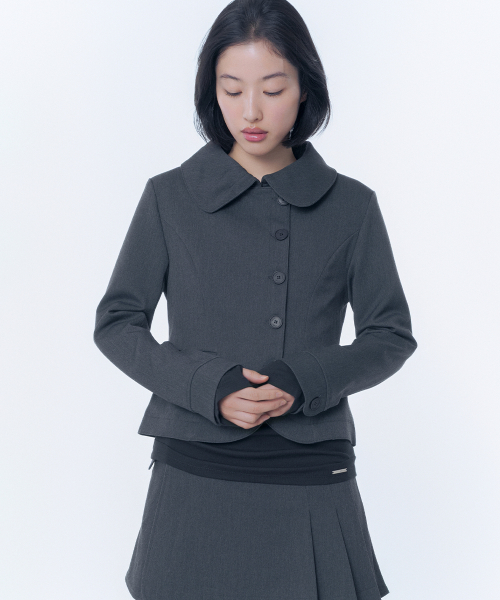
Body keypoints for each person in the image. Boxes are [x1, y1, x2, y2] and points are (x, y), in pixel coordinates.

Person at [93, 1, 417, 598]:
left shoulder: (352, 206)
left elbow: (390, 333)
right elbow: (117, 322)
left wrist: (304, 379)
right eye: (231, 88)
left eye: (272, 89)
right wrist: (207, 384)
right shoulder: (169, 197)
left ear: (304, 89)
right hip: (194, 463)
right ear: (210, 92)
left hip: (310, 466)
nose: (250, 111)